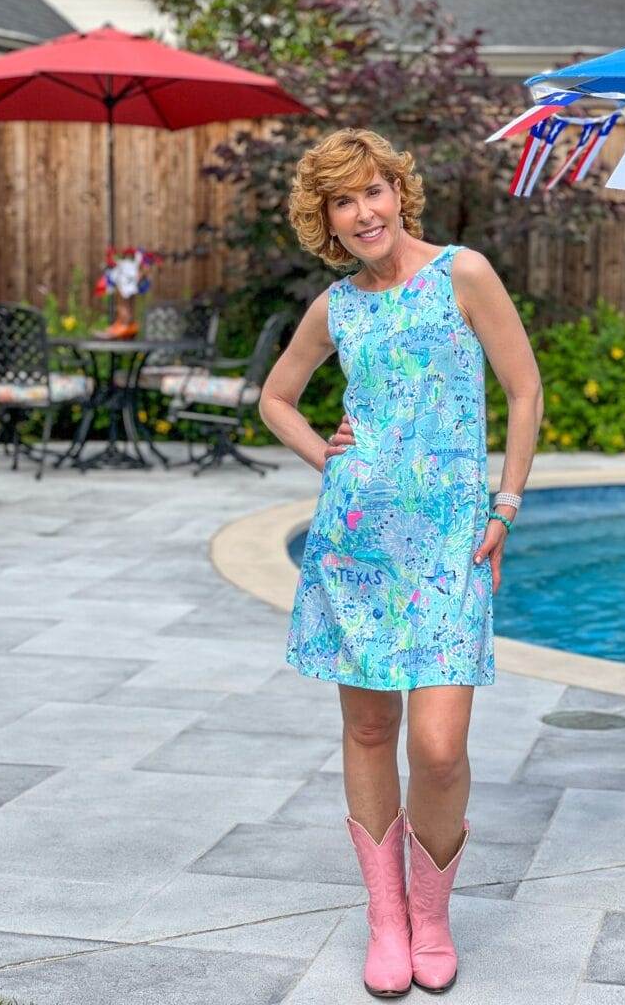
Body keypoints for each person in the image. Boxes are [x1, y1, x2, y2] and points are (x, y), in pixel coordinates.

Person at [258, 128, 543, 997]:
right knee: (372, 730)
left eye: (373, 191)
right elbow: (276, 397)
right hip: (357, 545)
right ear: (327, 222)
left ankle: (434, 911)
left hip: (453, 540)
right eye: (343, 202)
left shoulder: (464, 273)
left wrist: (507, 502)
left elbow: (525, 388)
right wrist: (326, 456)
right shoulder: (335, 307)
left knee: (440, 745)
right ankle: (388, 920)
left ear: (398, 193)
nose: (363, 212)